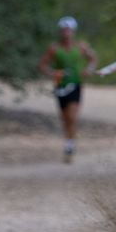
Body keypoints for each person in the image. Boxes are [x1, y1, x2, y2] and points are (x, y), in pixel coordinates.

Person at [38, 16, 97, 162]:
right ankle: (69, 140)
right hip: (60, 86)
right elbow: (42, 65)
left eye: (69, 30)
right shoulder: (54, 48)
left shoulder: (81, 47)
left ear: (73, 31)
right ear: (60, 31)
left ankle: (70, 146)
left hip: (75, 85)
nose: (66, 32)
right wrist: (53, 73)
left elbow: (93, 59)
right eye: (64, 30)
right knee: (65, 118)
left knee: (72, 117)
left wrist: (88, 69)